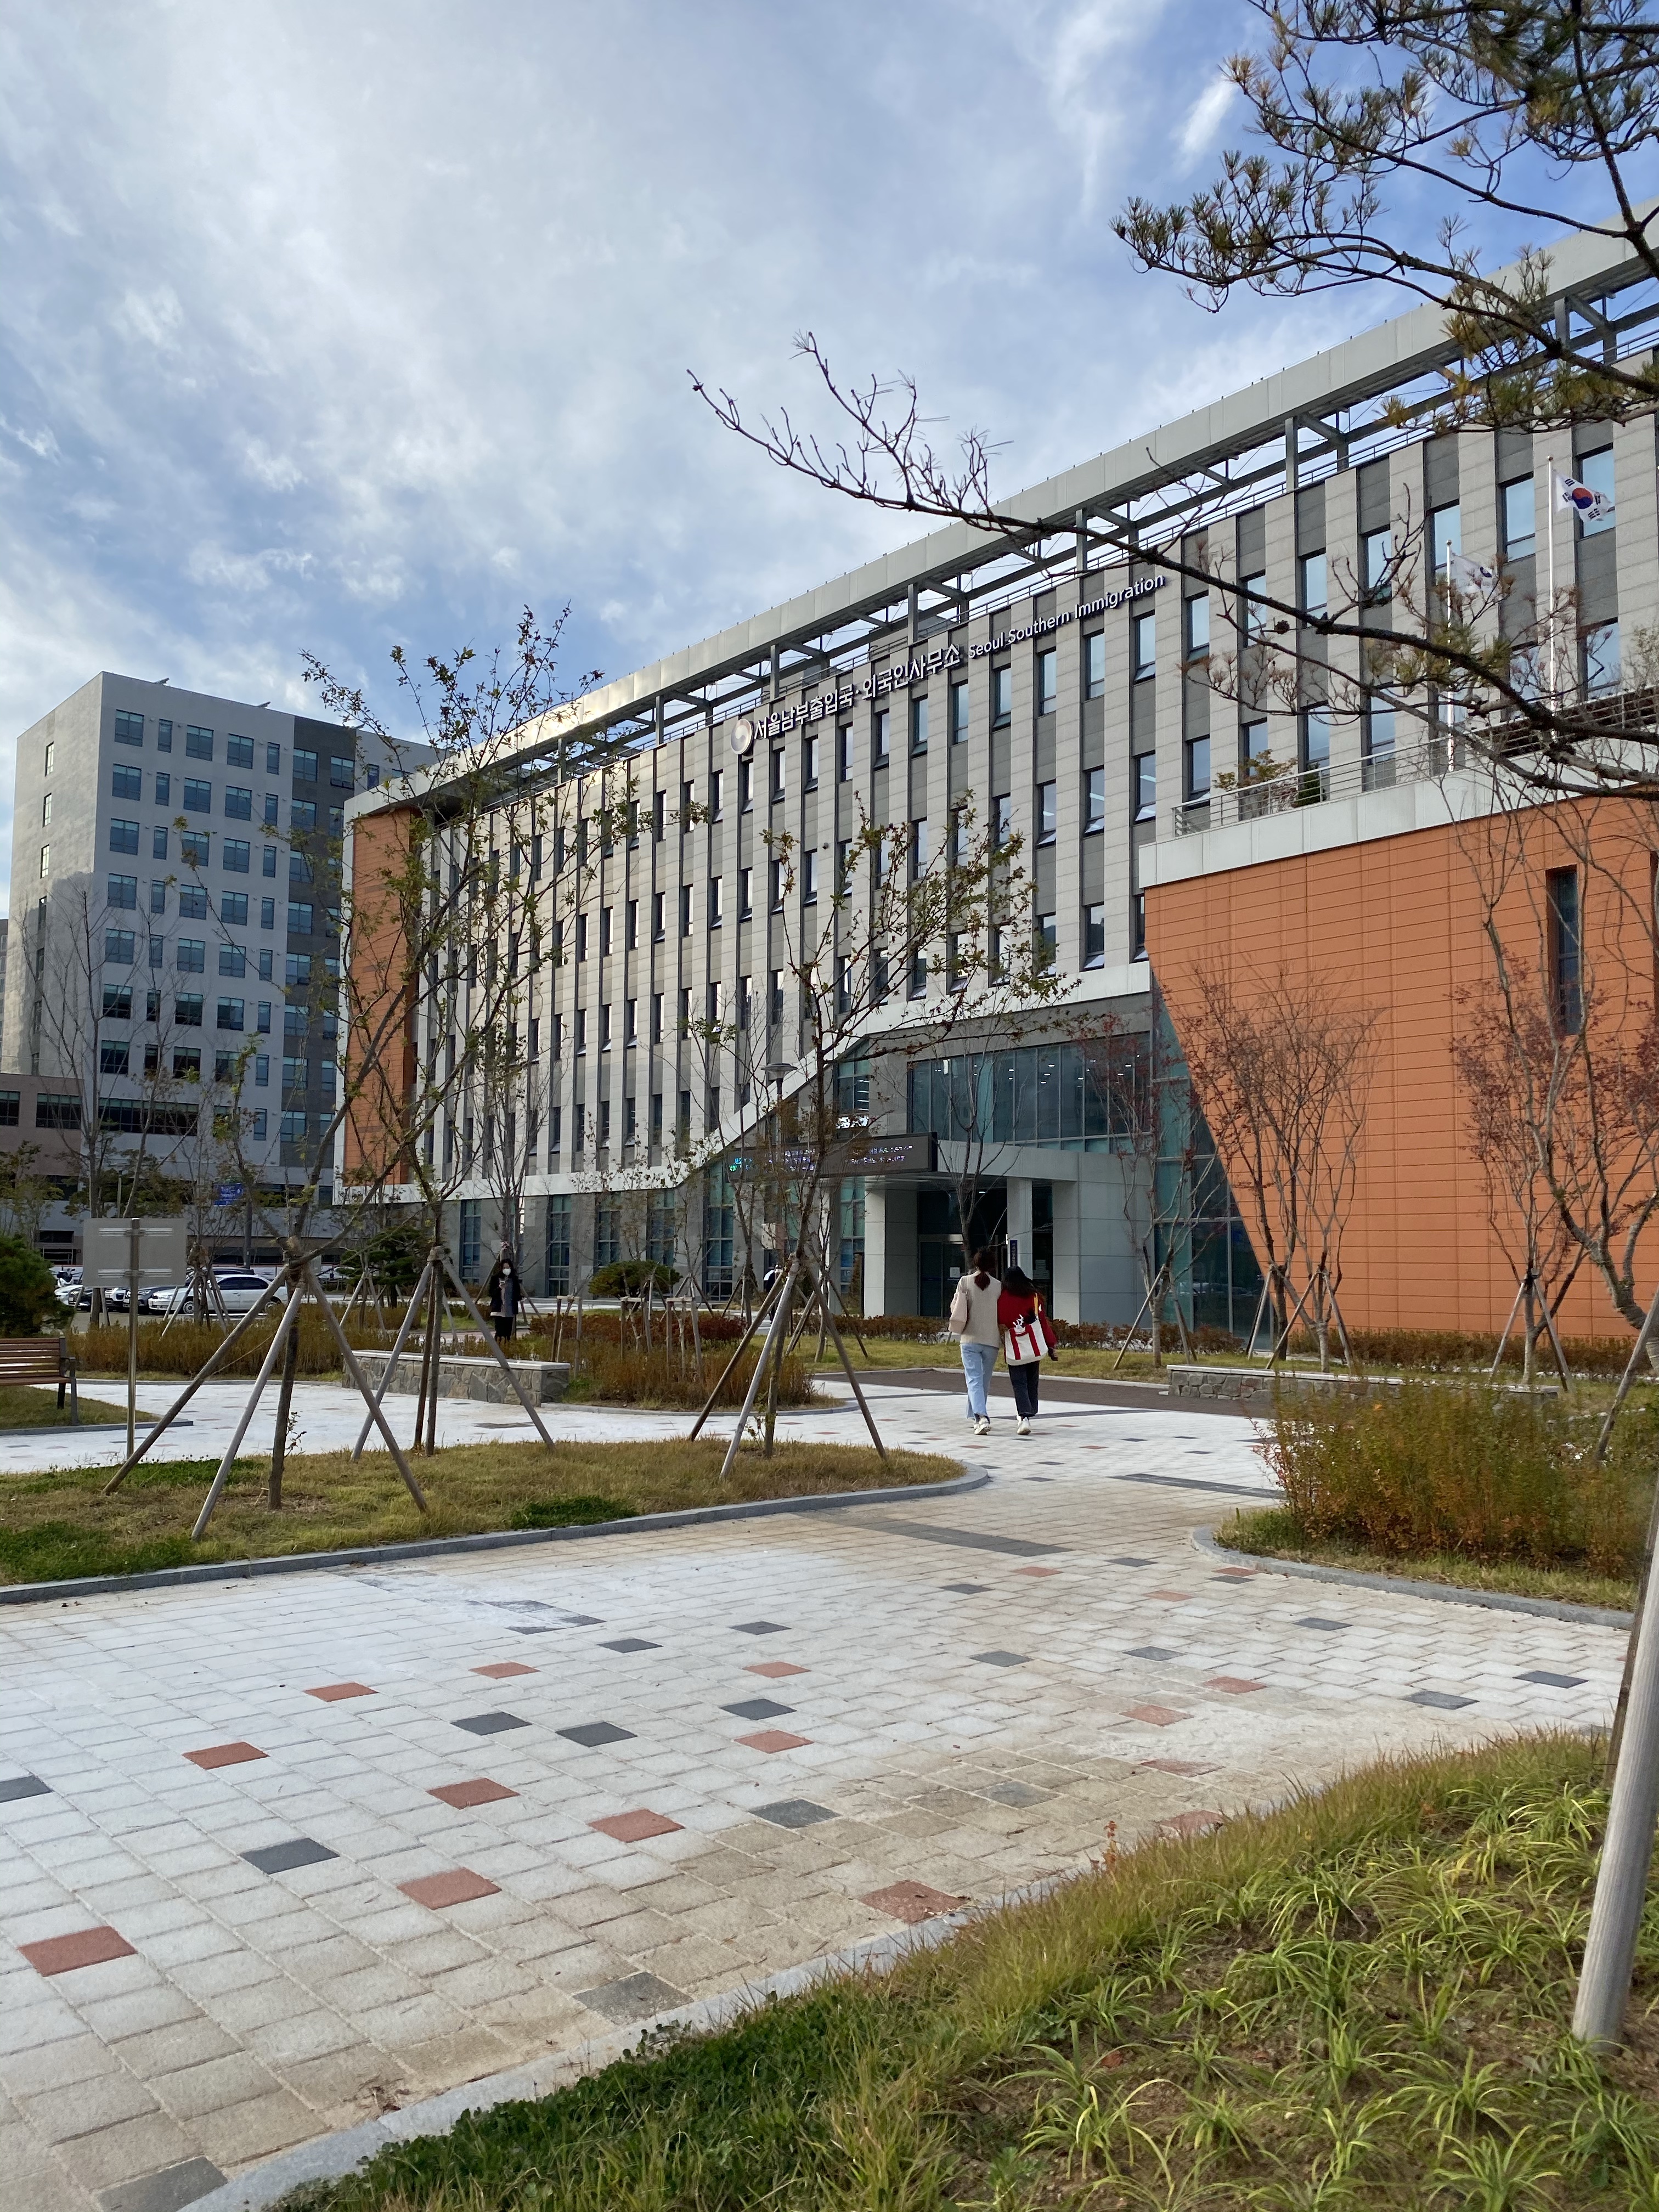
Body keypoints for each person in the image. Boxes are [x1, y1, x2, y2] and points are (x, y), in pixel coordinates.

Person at [947, 1249, 1002, 1436]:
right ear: (993, 1266)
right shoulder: (998, 1286)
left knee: (974, 1379)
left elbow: (955, 1307)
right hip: (992, 1340)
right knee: (983, 1381)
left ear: (976, 1263)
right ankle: (976, 1416)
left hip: (970, 1338)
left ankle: (981, 1417)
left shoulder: (965, 1282)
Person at [997, 1265, 1053, 1435]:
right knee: (1032, 1381)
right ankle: (1030, 1410)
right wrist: (1051, 1344)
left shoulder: (1003, 1299)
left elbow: (1001, 1320)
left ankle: (1024, 1416)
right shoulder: (1034, 1297)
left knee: (1019, 1383)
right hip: (1033, 1346)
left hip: (1015, 1347)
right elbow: (1043, 1322)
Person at [485, 1247, 519, 1344]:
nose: (506, 1270)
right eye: (504, 1268)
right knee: (500, 1332)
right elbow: (490, 1293)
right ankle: (497, 1348)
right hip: (499, 1310)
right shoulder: (495, 1279)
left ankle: (507, 1349)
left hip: (510, 1310)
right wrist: (499, 1288)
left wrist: (520, 1298)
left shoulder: (514, 1280)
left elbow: (516, 1294)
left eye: (508, 1268)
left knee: (508, 1333)